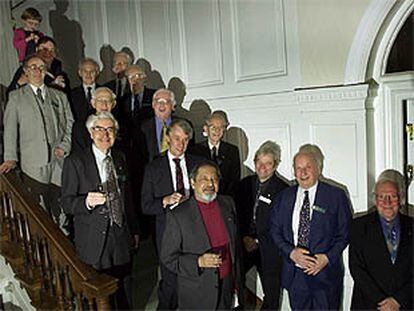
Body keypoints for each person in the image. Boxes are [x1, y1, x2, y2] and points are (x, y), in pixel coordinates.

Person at [62, 111, 139, 310]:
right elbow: (67, 203)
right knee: (98, 297)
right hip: (94, 240)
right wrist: (86, 202)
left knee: (124, 290)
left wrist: (134, 230)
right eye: (99, 129)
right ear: (90, 132)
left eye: (110, 129)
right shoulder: (75, 161)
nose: (105, 134)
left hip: (120, 236)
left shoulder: (120, 158)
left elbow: (128, 199)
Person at [270, 150, 352, 310]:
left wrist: (327, 258)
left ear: (318, 168)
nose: (303, 172)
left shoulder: (335, 196)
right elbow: (275, 231)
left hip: (325, 275)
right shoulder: (283, 197)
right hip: (295, 276)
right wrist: (291, 252)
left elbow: (345, 232)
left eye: (308, 167)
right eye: (298, 168)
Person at [0, 54, 73, 223]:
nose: (37, 71)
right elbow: (10, 129)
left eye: (41, 67)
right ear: (25, 71)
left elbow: (70, 123)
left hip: (58, 160)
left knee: (61, 207)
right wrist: (10, 158)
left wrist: (65, 145)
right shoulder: (16, 97)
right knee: (39, 208)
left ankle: (63, 241)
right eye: (33, 67)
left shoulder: (59, 96)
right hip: (33, 162)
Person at [161, 160, 243, 309]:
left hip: (227, 285)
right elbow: (168, 258)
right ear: (193, 183)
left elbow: (235, 245)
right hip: (198, 292)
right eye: (204, 179)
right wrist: (198, 262)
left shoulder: (228, 203)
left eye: (214, 179)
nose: (210, 184)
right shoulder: (178, 215)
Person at [141, 118, 199, 310]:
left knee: (193, 280)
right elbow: (146, 206)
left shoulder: (199, 164)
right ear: (168, 138)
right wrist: (164, 201)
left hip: (194, 231)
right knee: (170, 284)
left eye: (185, 140)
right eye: (176, 138)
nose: (180, 144)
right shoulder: (153, 167)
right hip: (167, 233)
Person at [349, 169, 413, 311]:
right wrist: (382, 301)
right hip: (369, 304)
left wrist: (398, 301)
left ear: (400, 198)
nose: (387, 202)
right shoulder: (358, 226)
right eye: (382, 197)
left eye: (393, 196)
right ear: (375, 199)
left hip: (406, 304)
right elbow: (356, 268)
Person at [236, 141, 289, 310]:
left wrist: (257, 240)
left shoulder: (283, 190)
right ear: (254, 161)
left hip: (269, 248)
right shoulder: (245, 184)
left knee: (272, 293)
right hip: (244, 244)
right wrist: (245, 236)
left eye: (268, 163)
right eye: (259, 161)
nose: (263, 167)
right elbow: (236, 214)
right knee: (233, 282)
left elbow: (282, 225)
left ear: (276, 165)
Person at [190, 112, 240, 197]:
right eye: (213, 127)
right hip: (202, 197)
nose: (217, 131)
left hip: (225, 198)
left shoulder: (232, 151)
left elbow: (234, 180)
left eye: (221, 127)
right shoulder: (195, 150)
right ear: (206, 129)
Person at [71, 87, 117, 153]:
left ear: (114, 104)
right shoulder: (80, 127)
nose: (104, 105)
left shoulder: (123, 126)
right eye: (100, 100)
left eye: (108, 101)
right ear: (93, 103)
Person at [69, 58, 101, 122]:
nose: (88, 74)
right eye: (85, 71)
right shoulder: (71, 94)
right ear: (80, 73)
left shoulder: (104, 92)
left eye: (92, 71)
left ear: (97, 73)